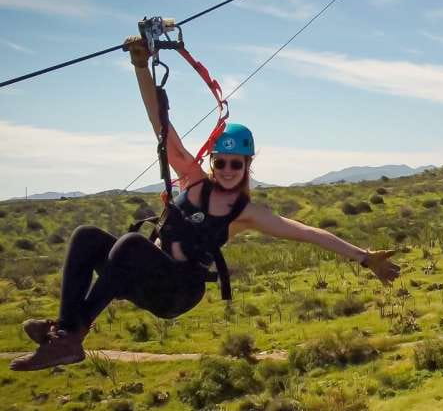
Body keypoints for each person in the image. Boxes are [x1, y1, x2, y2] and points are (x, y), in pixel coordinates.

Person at [10, 35, 401, 371]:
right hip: (146, 278)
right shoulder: (192, 180)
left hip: (178, 292)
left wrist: (364, 257)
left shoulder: (245, 212)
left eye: (237, 163)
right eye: (222, 162)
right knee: (86, 236)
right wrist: (141, 68)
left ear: (247, 165)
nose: (228, 169)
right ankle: (63, 332)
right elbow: (161, 126)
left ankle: (72, 336)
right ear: (212, 161)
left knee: (130, 244)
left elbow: (307, 233)